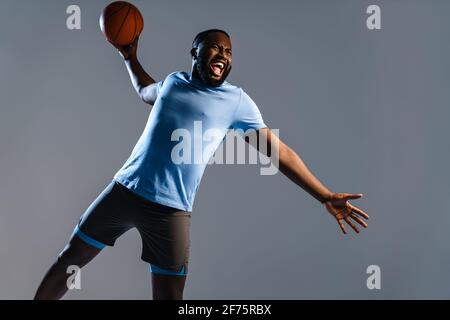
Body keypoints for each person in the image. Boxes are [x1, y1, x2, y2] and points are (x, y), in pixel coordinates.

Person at [34, 29, 369, 300]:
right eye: (214, 47)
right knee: (69, 261)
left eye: (228, 51)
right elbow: (143, 90)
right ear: (195, 53)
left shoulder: (236, 102)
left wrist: (324, 194)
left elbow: (280, 153)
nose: (222, 54)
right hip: (124, 192)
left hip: (171, 213)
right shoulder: (172, 83)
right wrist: (130, 58)